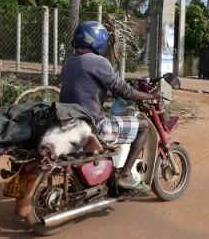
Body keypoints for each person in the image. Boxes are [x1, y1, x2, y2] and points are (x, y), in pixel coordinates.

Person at [59, 21, 160, 191]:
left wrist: (107, 93)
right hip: (94, 127)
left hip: (67, 122)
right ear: (98, 41)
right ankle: (125, 175)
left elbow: (85, 87)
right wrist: (150, 95)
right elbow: (125, 90)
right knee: (143, 125)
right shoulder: (98, 61)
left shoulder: (70, 62)